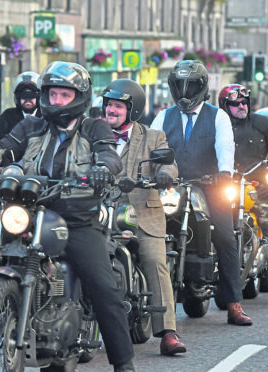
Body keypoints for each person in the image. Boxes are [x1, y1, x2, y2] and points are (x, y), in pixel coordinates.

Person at [0, 61, 135, 372]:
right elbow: (3, 148)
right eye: (52, 95)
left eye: (64, 95)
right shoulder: (31, 126)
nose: (57, 101)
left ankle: (124, 363)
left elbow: (108, 153)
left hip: (77, 218)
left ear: (79, 96)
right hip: (30, 211)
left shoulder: (94, 127)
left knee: (103, 287)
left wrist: (102, 169)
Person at [151, 60, 252, 326]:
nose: (185, 92)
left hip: (210, 186)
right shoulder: (163, 116)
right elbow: (152, 147)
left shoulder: (217, 116)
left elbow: (225, 147)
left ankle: (233, 303)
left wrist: (225, 172)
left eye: (191, 86)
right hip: (171, 187)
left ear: (202, 86)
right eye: (179, 86)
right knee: (146, 230)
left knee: (225, 237)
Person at [102, 79, 186, 355]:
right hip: (101, 213)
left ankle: (168, 333)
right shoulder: (93, 133)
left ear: (132, 109)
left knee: (154, 261)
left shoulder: (153, 136)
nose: (111, 111)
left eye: (117, 106)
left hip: (142, 214)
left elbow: (168, 162)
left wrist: (164, 175)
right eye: (108, 105)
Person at [219, 84, 268, 304]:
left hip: (256, 187)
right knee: (207, 226)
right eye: (235, 103)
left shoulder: (263, 124)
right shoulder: (216, 125)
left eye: (244, 102)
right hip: (224, 188)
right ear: (224, 106)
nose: (241, 106)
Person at [0, 71, 41, 143]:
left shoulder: (45, 117)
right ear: (18, 98)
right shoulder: (8, 116)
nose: (28, 100)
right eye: (24, 95)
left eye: (31, 95)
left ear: (38, 97)